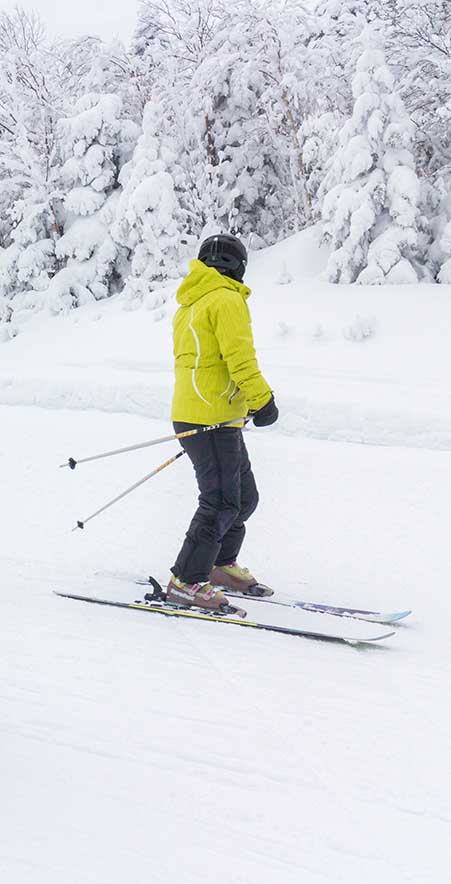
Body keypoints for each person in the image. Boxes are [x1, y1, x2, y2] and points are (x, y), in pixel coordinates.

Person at [167, 234, 278, 610]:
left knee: (243, 498)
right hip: (209, 417)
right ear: (239, 266)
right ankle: (186, 580)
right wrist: (263, 401)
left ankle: (218, 564)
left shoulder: (192, 302)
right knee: (220, 502)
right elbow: (239, 359)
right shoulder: (226, 299)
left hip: (209, 414)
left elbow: (208, 363)